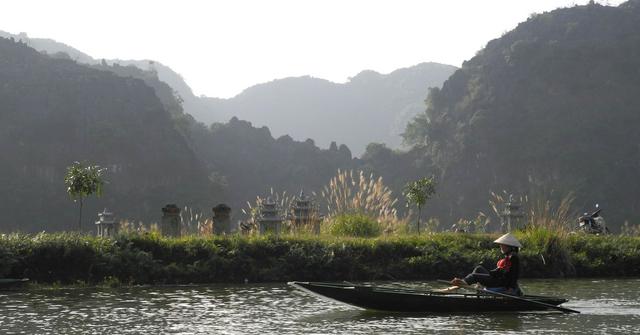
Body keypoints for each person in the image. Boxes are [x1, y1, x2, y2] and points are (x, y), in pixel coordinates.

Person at [450, 233, 523, 296]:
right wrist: (490, 274)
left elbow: (512, 274)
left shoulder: (513, 257)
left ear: (509, 247)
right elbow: (500, 271)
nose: (501, 246)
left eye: (502, 245)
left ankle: (463, 282)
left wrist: (511, 288)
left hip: (501, 282)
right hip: (499, 279)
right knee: (478, 268)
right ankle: (465, 282)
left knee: (475, 276)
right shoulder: (509, 256)